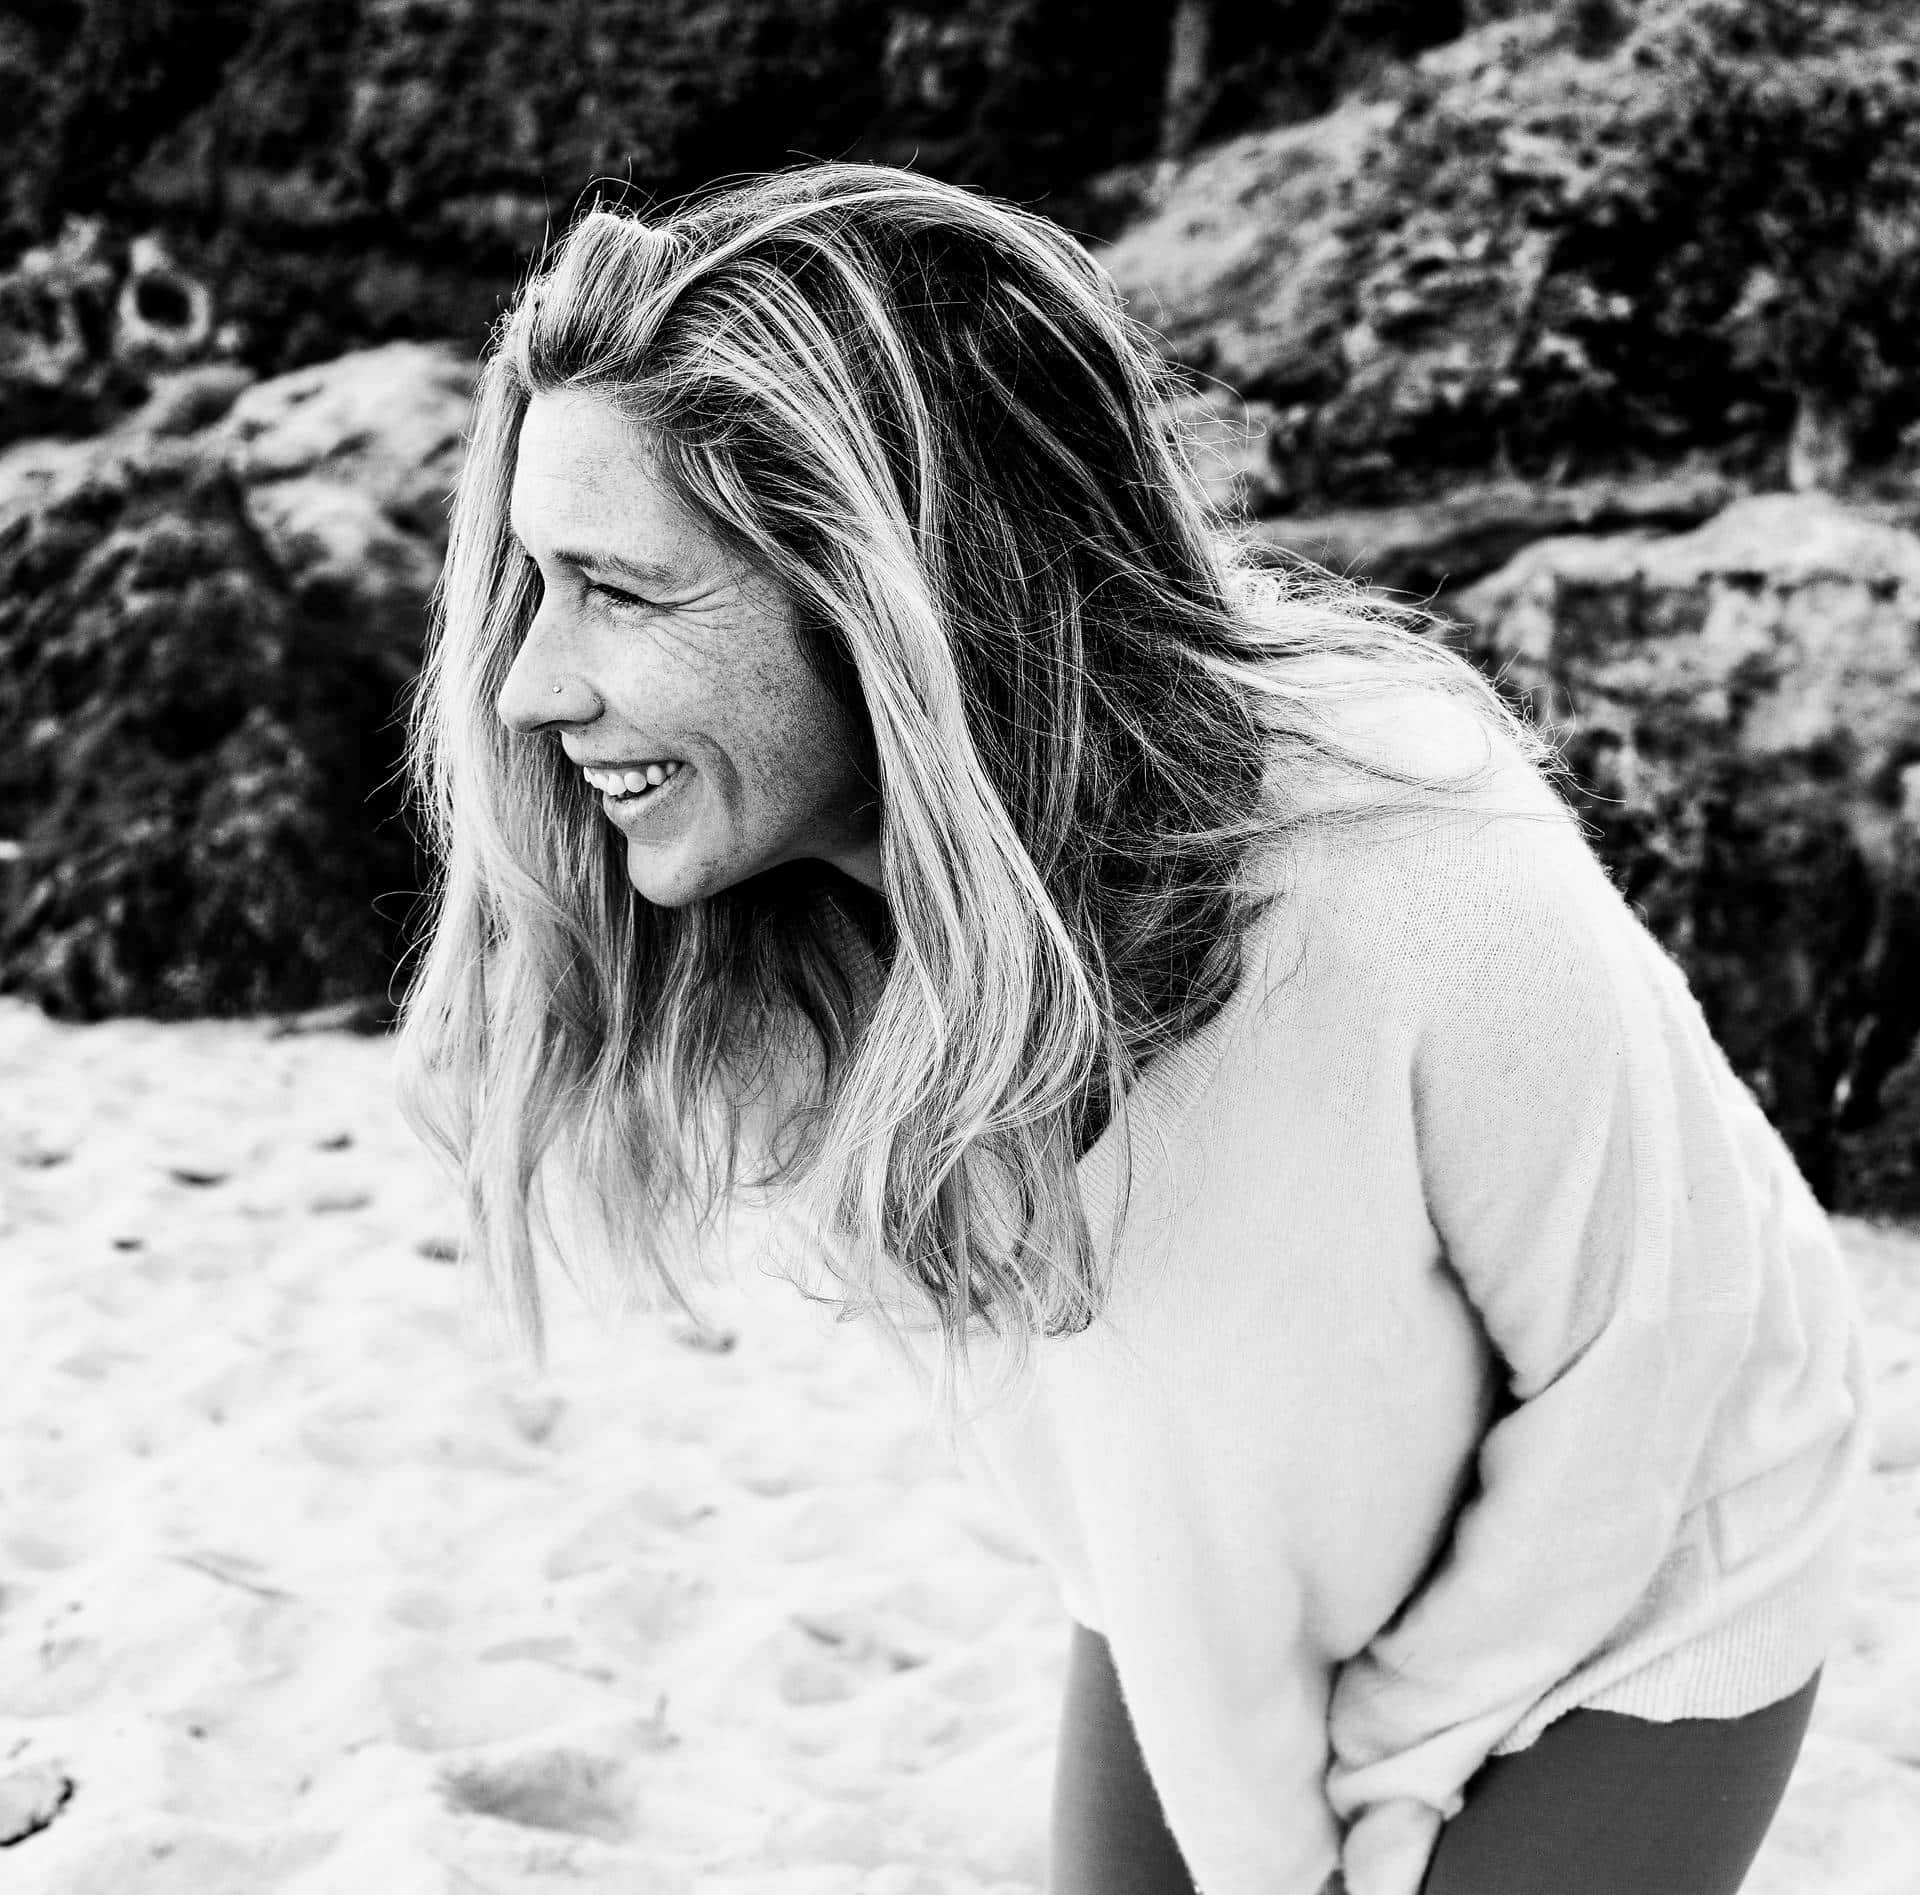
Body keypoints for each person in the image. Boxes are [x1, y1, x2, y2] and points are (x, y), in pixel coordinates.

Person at [394, 162, 1872, 1895]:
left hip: (1647, 1561)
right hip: (1230, 1572)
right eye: (531, 585)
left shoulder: (1411, 863)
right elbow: (1144, 1419)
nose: (526, 684)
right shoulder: (819, 927)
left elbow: (1665, 1350)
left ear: (890, 589)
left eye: (617, 591)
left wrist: (1387, 1788)